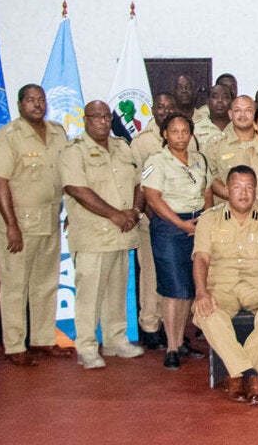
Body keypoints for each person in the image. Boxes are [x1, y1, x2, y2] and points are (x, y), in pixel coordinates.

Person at [191, 166, 258, 404]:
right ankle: (251, 375)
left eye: (249, 187)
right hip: (222, 287)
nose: (243, 193)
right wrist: (201, 292)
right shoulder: (210, 219)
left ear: (256, 190)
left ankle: (236, 375)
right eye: (237, 187)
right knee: (205, 312)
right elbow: (201, 258)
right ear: (226, 190)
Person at [0, 84, 69, 366]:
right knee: (15, 286)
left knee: (45, 284)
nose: (37, 104)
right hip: (18, 222)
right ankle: (14, 345)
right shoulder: (7, 137)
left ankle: (43, 339)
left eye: (41, 99)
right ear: (20, 105)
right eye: (31, 100)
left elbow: (65, 175)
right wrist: (11, 225)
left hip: (48, 219)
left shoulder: (58, 133)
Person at [60, 101, 146, 368]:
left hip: (122, 233)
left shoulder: (122, 146)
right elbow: (78, 190)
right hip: (93, 235)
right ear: (85, 120)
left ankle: (115, 339)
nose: (101, 121)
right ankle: (86, 346)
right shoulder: (74, 151)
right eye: (95, 117)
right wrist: (114, 214)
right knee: (89, 294)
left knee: (116, 291)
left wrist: (133, 210)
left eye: (106, 116)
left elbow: (139, 183)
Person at [141, 114, 214, 369]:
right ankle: (171, 347)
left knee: (187, 287)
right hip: (170, 226)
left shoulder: (199, 159)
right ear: (165, 134)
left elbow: (207, 191)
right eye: (175, 131)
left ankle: (181, 340)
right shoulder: (156, 161)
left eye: (185, 131)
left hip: (197, 224)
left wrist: (204, 219)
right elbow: (153, 198)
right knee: (172, 288)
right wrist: (180, 223)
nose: (180, 136)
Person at [129, 92, 185, 350]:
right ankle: (151, 326)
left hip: (181, 222)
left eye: (169, 106)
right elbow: (139, 184)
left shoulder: (185, 135)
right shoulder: (141, 142)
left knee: (175, 277)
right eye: (160, 107)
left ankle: (171, 328)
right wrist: (154, 216)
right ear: (152, 110)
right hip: (154, 220)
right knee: (152, 275)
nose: (164, 110)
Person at [194, 84, 233, 148]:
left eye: (224, 97)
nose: (220, 100)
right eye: (215, 97)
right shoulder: (196, 128)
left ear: (231, 102)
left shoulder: (238, 127)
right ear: (208, 102)